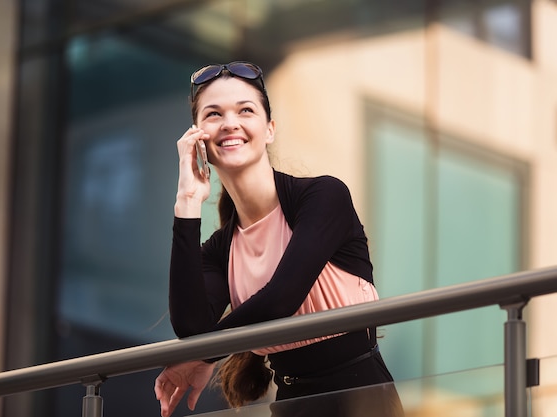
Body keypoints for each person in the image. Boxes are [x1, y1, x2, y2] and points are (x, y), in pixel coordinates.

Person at [154, 61, 404, 417]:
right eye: (213, 114)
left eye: (245, 110)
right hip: (290, 402)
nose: (230, 123)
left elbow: (280, 300)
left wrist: (202, 354)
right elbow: (191, 329)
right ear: (198, 139)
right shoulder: (220, 250)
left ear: (269, 129)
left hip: (361, 398)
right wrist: (187, 202)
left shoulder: (323, 197)